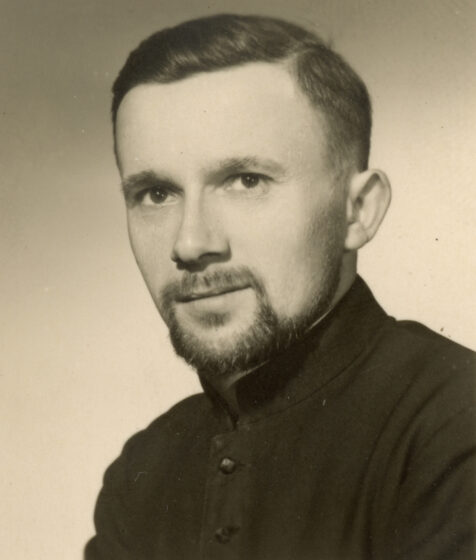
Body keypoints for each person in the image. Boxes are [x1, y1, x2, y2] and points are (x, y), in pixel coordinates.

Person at [85, 13, 475, 560]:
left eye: (246, 181)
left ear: (358, 211)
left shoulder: (456, 422)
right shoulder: (142, 473)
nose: (190, 242)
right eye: (156, 194)